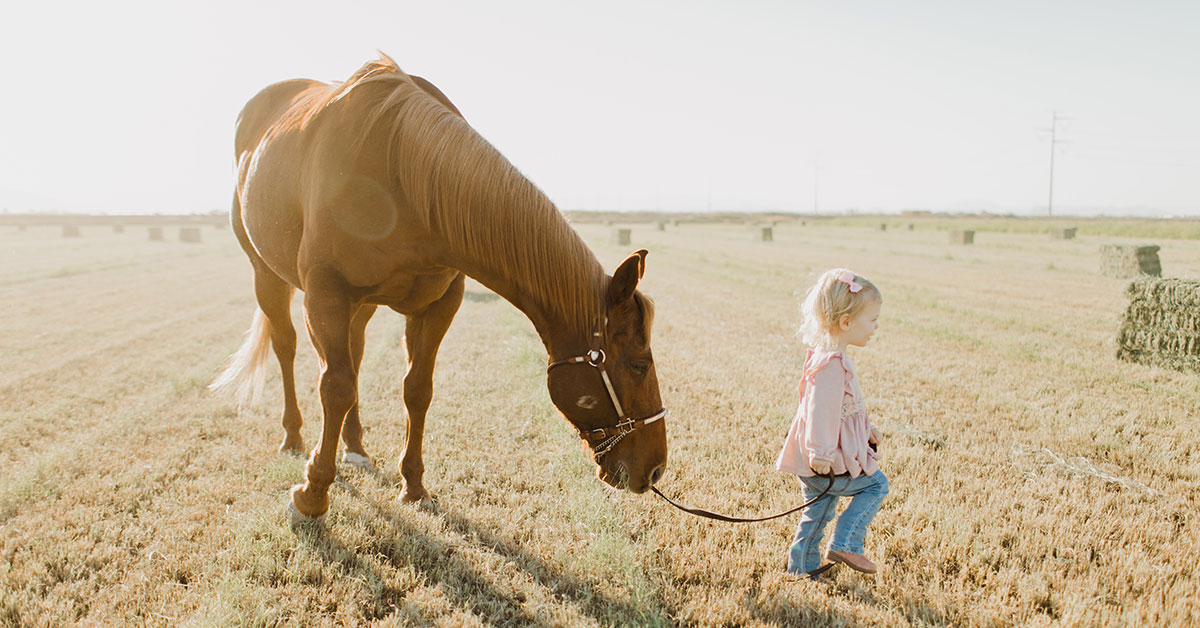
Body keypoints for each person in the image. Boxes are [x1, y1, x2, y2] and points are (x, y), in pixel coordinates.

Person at [776, 268, 888, 579]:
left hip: (816, 456)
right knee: (877, 485)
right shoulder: (832, 365)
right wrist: (822, 454)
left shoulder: (827, 357)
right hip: (822, 458)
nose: (876, 327)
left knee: (818, 513)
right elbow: (820, 413)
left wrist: (866, 430)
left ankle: (801, 568)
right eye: (873, 319)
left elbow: (845, 408)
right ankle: (847, 543)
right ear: (846, 322)